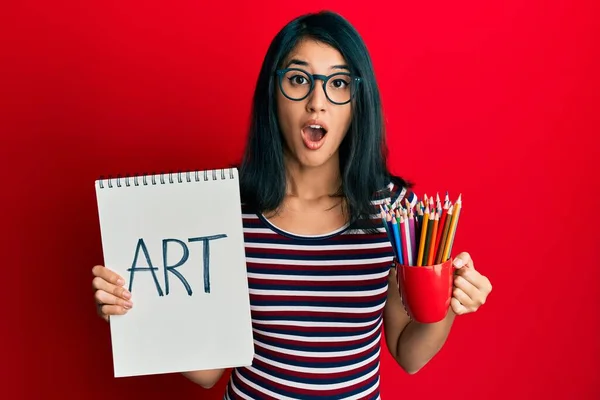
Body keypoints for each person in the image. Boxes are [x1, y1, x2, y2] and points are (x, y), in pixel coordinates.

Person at [91, 10, 493, 399]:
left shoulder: (395, 213)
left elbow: (409, 354)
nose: (317, 101)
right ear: (274, 92)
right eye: (299, 79)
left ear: (358, 100)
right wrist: (135, 312)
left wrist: (449, 302)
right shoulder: (226, 210)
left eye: (337, 84)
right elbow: (207, 373)